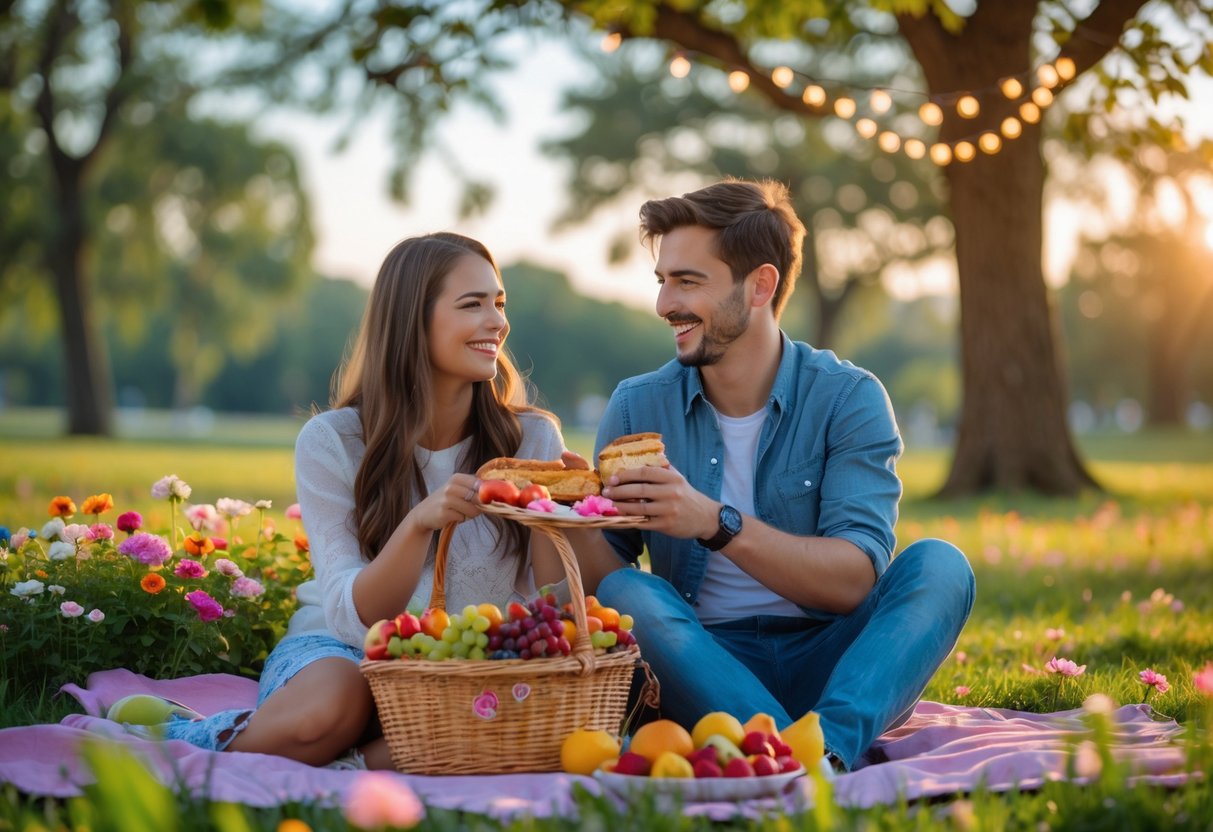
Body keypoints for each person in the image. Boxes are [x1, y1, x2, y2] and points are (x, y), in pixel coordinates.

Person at [107, 232, 576, 768]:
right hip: (342, 651)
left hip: (466, 668)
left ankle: (342, 761)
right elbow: (354, 618)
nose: (498, 322)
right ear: (412, 321)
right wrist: (418, 524)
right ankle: (179, 739)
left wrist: (555, 513)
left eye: (499, 303)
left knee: (508, 720)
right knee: (333, 708)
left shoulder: (533, 440)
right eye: (473, 304)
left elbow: (551, 599)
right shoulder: (333, 440)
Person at [574, 179, 975, 773]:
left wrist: (713, 522)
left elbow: (853, 582)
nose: (665, 305)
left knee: (942, 566)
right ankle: (809, 763)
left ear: (760, 285)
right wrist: (562, 518)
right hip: (701, 665)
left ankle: (820, 750)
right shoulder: (637, 408)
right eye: (662, 282)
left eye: (688, 281)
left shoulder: (849, 399)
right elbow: (605, 585)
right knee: (630, 592)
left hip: (831, 659)